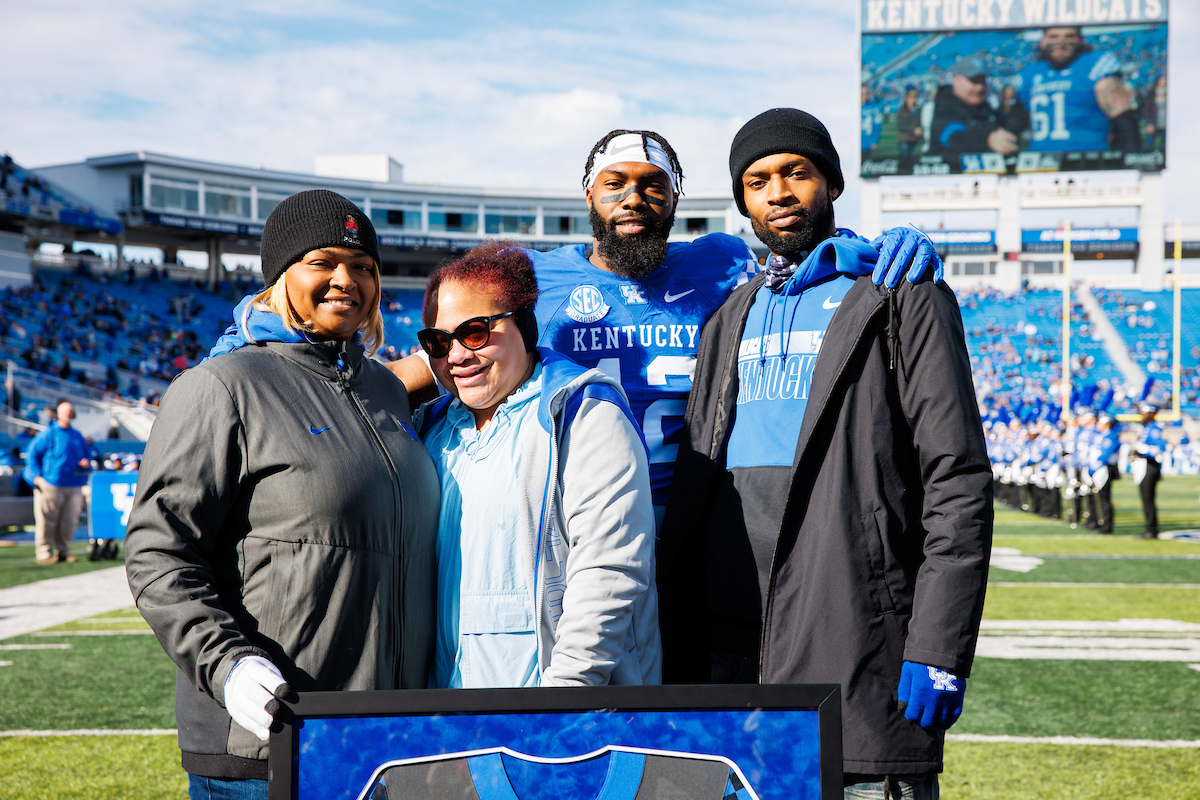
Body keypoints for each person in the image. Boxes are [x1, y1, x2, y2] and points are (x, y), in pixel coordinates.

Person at [658, 108, 993, 798]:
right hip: (727, 655)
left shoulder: (902, 295)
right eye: (757, 180)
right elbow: (696, 491)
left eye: (796, 172)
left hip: (854, 642)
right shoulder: (730, 316)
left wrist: (938, 646)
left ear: (831, 183)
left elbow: (956, 480)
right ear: (743, 200)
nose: (778, 191)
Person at [389, 130, 943, 523]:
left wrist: (873, 247)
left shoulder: (719, 263)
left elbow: (800, 269)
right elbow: (444, 361)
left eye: (654, 185)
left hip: (694, 525)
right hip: (575, 522)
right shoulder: (536, 275)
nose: (634, 198)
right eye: (615, 184)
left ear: (675, 197)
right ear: (589, 195)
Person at [125, 190, 440, 800]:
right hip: (267, 745)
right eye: (322, 262)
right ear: (279, 275)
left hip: (386, 743)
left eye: (364, 267)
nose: (346, 280)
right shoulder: (221, 385)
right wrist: (227, 664)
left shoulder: (385, 390)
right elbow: (156, 554)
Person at [416, 241, 659, 689]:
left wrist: (560, 699)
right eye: (439, 341)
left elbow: (609, 570)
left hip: (556, 719)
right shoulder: (431, 429)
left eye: (475, 332)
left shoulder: (583, 412)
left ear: (524, 327)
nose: (456, 355)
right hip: (448, 720)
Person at [1014, 26, 1140, 153]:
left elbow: (1125, 124)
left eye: (1069, 36)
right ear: (1042, 41)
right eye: (1053, 36)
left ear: (1080, 40)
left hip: (1087, 161)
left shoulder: (1095, 65)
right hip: (1040, 163)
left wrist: (1128, 160)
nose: (1061, 42)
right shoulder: (1030, 73)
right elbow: (1015, 122)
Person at [25, 400, 91, 565]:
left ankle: (63, 551)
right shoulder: (49, 433)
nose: (68, 414)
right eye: (64, 411)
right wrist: (37, 477)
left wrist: (85, 462)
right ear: (58, 413)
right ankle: (44, 553)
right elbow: (31, 453)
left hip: (74, 483)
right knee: (46, 521)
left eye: (70, 411)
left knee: (68, 522)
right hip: (51, 483)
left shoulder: (76, 435)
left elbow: (87, 455)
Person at [929, 57, 1019, 163]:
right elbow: (952, 137)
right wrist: (987, 141)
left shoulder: (985, 108)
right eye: (974, 82)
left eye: (982, 82)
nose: (979, 88)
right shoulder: (946, 107)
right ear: (957, 80)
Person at [1133, 402, 1166, 538]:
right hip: (1145, 466)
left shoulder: (1154, 428)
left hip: (1150, 466)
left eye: (1145, 413)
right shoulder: (1147, 428)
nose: (1142, 415)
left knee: (1148, 499)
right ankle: (1150, 528)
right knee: (1146, 499)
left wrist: (1143, 451)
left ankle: (1151, 529)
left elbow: (1160, 448)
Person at [894, 86, 923, 158]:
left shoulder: (918, 110)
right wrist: (914, 129)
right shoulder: (902, 110)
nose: (913, 99)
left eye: (914, 97)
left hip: (915, 140)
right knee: (904, 161)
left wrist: (920, 129)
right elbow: (900, 125)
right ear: (906, 98)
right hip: (905, 139)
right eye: (911, 97)